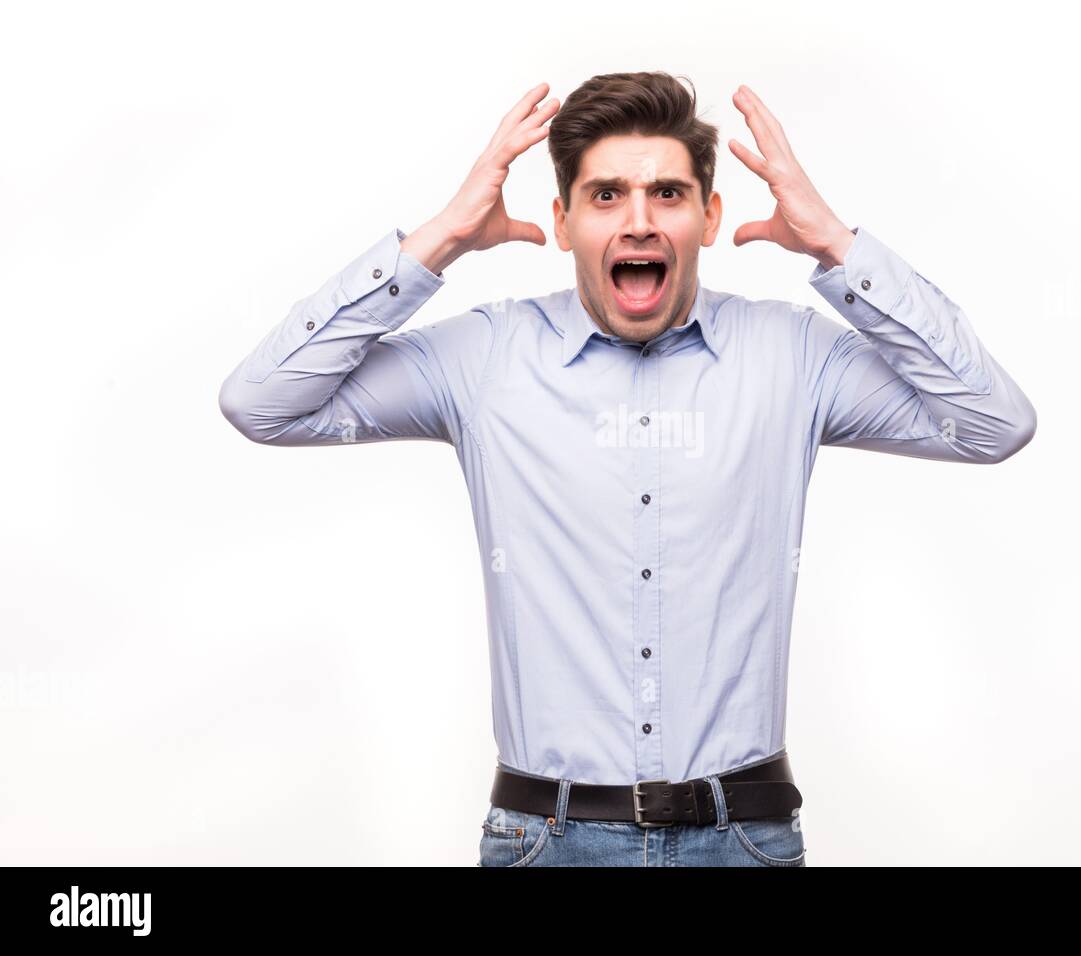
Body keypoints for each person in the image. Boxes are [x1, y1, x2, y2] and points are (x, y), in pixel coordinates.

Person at [218, 71, 1037, 867]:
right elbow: (264, 402)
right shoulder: (485, 359)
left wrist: (837, 243)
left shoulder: (792, 355)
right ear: (564, 220)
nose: (638, 221)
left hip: (743, 837)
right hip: (546, 839)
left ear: (709, 217)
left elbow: (994, 423)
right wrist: (439, 240)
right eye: (606, 195)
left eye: (668, 195)